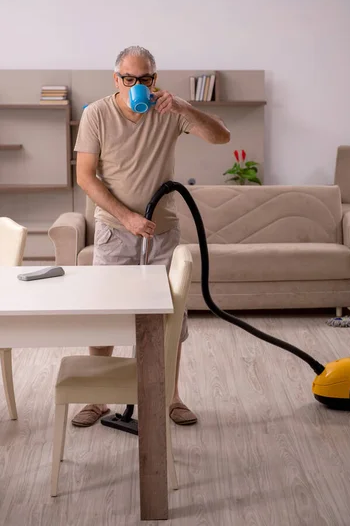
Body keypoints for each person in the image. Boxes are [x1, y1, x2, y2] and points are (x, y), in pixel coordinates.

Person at [71, 45, 231, 427]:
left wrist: (185, 109)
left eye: (145, 79)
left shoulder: (168, 111)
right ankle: (98, 398)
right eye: (130, 79)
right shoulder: (96, 114)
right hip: (114, 230)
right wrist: (125, 217)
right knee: (104, 314)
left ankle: (170, 398)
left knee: (169, 317)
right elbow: (85, 176)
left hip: (162, 233)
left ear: (154, 80)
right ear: (117, 79)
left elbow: (221, 137)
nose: (137, 85)